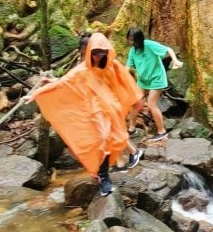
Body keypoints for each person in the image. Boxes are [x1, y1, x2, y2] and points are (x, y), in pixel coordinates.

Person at [26, 33, 143, 196]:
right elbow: (64, 82)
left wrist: (135, 99)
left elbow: (126, 81)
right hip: (96, 111)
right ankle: (104, 178)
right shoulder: (83, 69)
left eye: (102, 52)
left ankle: (105, 169)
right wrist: (37, 93)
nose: (98, 56)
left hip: (112, 109)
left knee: (118, 139)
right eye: (95, 52)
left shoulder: (111, 65)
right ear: (89, 52)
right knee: (103, 139)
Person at [125, 27, 182, 141]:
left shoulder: (149, 45)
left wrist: (175, 61)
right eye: (130, 40)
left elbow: (168, 50)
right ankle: (131, 129)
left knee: (151, 104)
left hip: (157, 79)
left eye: (134, 40)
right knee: (136, 103)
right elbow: (127, 67)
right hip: (143, 80)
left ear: (140, 39)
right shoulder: (133, 51)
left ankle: (162, 131)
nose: (131, 42)